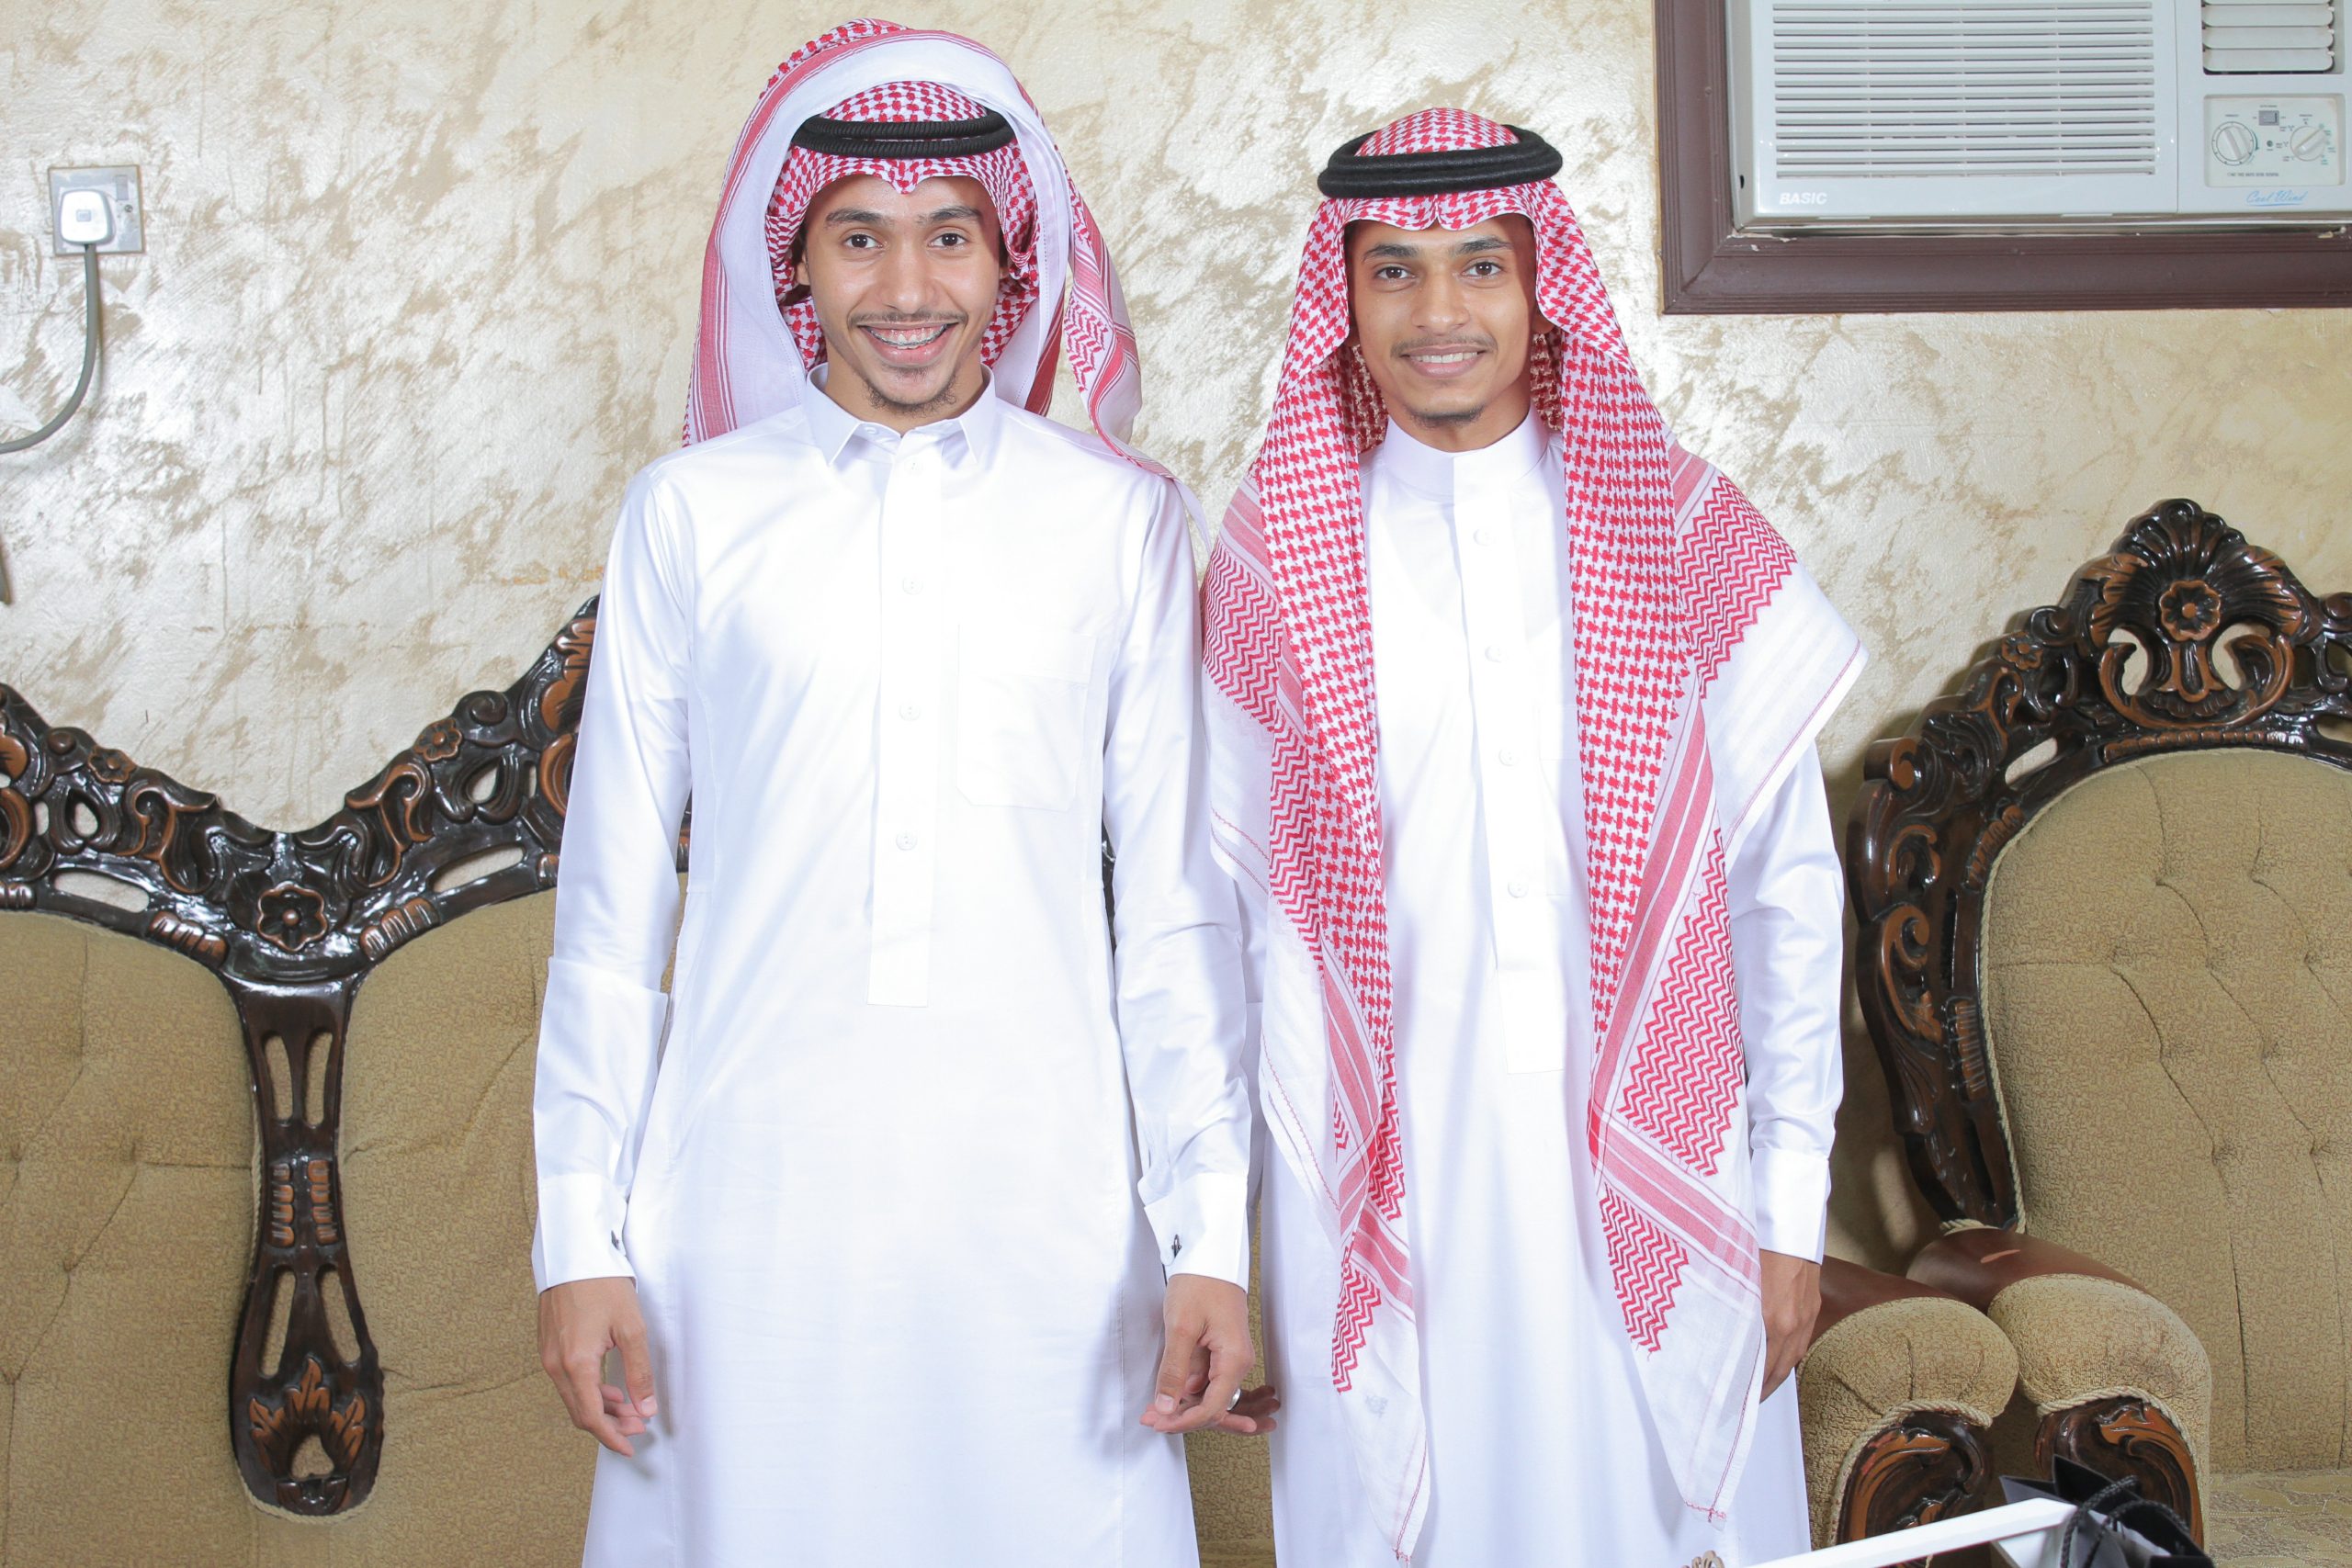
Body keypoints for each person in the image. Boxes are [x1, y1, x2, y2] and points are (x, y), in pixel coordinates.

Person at [530, 21, 1266, 1566]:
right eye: (858, 238)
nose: (908, 287)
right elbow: (608, 913)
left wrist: (1210, 1235)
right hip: (746, 1215)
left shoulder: (1119, 523)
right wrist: (576, 1238)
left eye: (950, 235)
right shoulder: (688, 516)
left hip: (1049, 1217)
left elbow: (1178, 921)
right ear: (798, 267)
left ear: (1011, 262)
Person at [1202, 108, 1866, 1566]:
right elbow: (1219, 936)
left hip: (1668, 1177)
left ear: (1542, 283)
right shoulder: (1274, 563)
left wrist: (1791, 1209)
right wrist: (1213, 1254)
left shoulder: (1683, 534)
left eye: (1480, 266)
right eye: (1394, 269)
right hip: (1377, 1192)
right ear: (1344, 296)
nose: (1438, 311)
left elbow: (1788, 904)